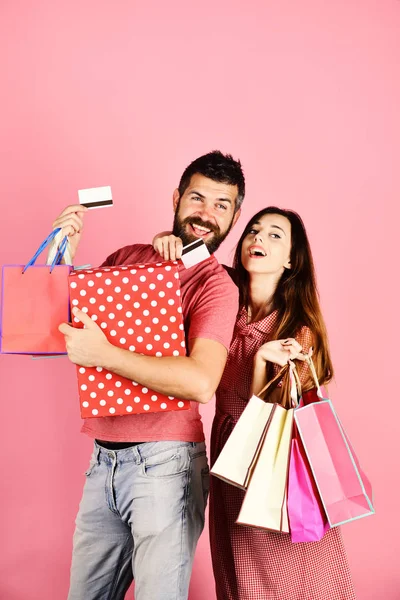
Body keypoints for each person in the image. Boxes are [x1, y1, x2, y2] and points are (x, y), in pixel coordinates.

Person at [53, 151, 245, 600]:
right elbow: (59, 328)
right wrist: (64, 253)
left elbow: (201, 381)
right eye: (198, 197)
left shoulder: (216, 285)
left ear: (234, 217)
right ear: (177, 198)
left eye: (222, 205)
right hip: (103, 460)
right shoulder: (127, 257)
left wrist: (106, 354)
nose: (206, 213)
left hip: (166, 465)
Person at [154, 207, 356, 600]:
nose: (259, 239)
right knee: (236, 572)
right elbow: (185, 258)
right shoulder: (222, 297)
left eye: (275, 235)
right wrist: (168, 237)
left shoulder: (299, 331)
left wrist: (263, 359)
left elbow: (273, 419)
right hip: (227, 452)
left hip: (274, 465)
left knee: (282, 574)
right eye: (253, 230)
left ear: (291, 260)